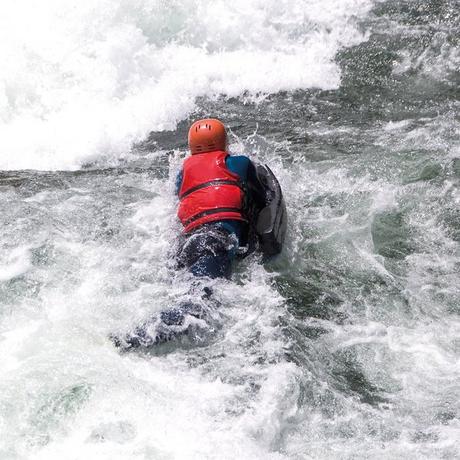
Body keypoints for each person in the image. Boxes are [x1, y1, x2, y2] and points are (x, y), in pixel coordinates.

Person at [174, 118, 266, 279]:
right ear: (224, 141)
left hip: (187, 242)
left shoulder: (182, 172)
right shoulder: (241, 162)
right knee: (204, 296)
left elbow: (179, 196)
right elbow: (261, 196)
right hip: (217, 240)